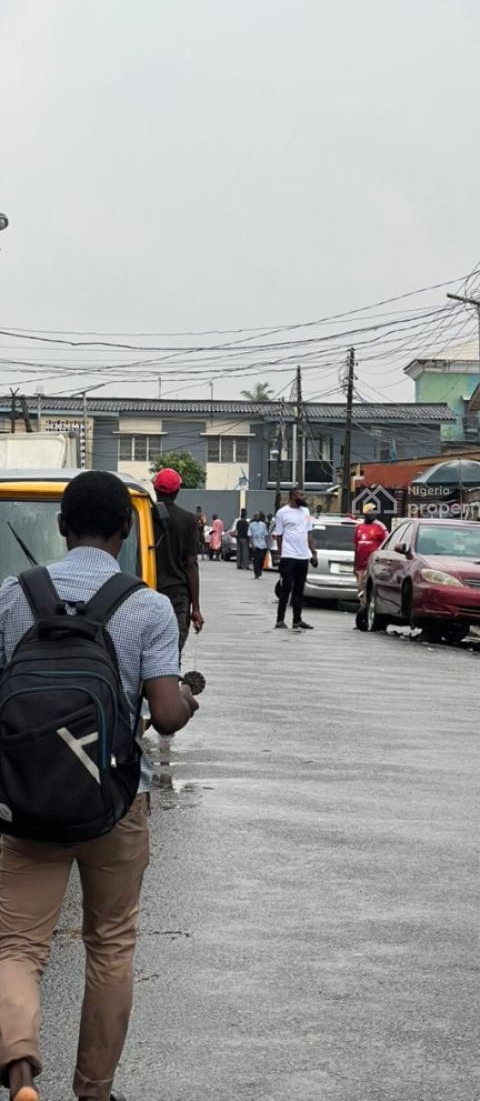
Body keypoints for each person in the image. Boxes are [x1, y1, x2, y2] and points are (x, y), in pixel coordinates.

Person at [0, 470, 199, 1101]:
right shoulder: (146, 606)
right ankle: (94, 1092)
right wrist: (188, 697)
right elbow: (165, 716)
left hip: (27, 796)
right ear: (125, 530)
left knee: (18, 945)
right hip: (116, 802)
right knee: (110, 945)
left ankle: (20, 1071)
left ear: (62, 527)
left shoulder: (12, 596)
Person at [153, 468, 204, 656]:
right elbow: (191, 565)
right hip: (177, 596)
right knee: (172, 654)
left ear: (154, 488)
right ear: (177, 491)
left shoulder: (144, 516)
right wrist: (196, 609)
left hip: (146, 590)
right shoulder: (188, 520)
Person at [273, 488, 318, 631]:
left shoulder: (306, 512)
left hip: (303, 557)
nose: (303, 497)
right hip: (288, 556)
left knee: (299, 590)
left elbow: (309, 532)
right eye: (301, 494)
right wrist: (280, 556)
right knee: (286, 589)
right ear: (293, 496)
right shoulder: (282, 513)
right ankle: (280, 620)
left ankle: (297, 620)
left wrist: (313, 553)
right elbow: (279, 535)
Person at [354, 502, 388, 596]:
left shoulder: (380, 526)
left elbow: (387, 544)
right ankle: (362, 605)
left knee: (370, 588)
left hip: (373, 564)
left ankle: (367, 606)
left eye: (375, 511)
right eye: (371, 511)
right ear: (365, 513)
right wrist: (355, 565)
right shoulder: (359, 527)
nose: (374, 513)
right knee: (360, 589)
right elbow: (356, 547)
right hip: (361, 566)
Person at [248, 511, 269, 579]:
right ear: (254, 517)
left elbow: (266, 535)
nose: (257, 517)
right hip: (255, 545)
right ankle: (256, 573)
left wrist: (267, 544)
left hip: (263, 545)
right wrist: (252, 544)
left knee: (261, 560)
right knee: (256, 560)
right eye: (256, 516)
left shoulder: (263, 524)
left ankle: (260, 570)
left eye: (258, 516)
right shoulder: (251, 525)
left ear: (260, 517)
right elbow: (250, 535)